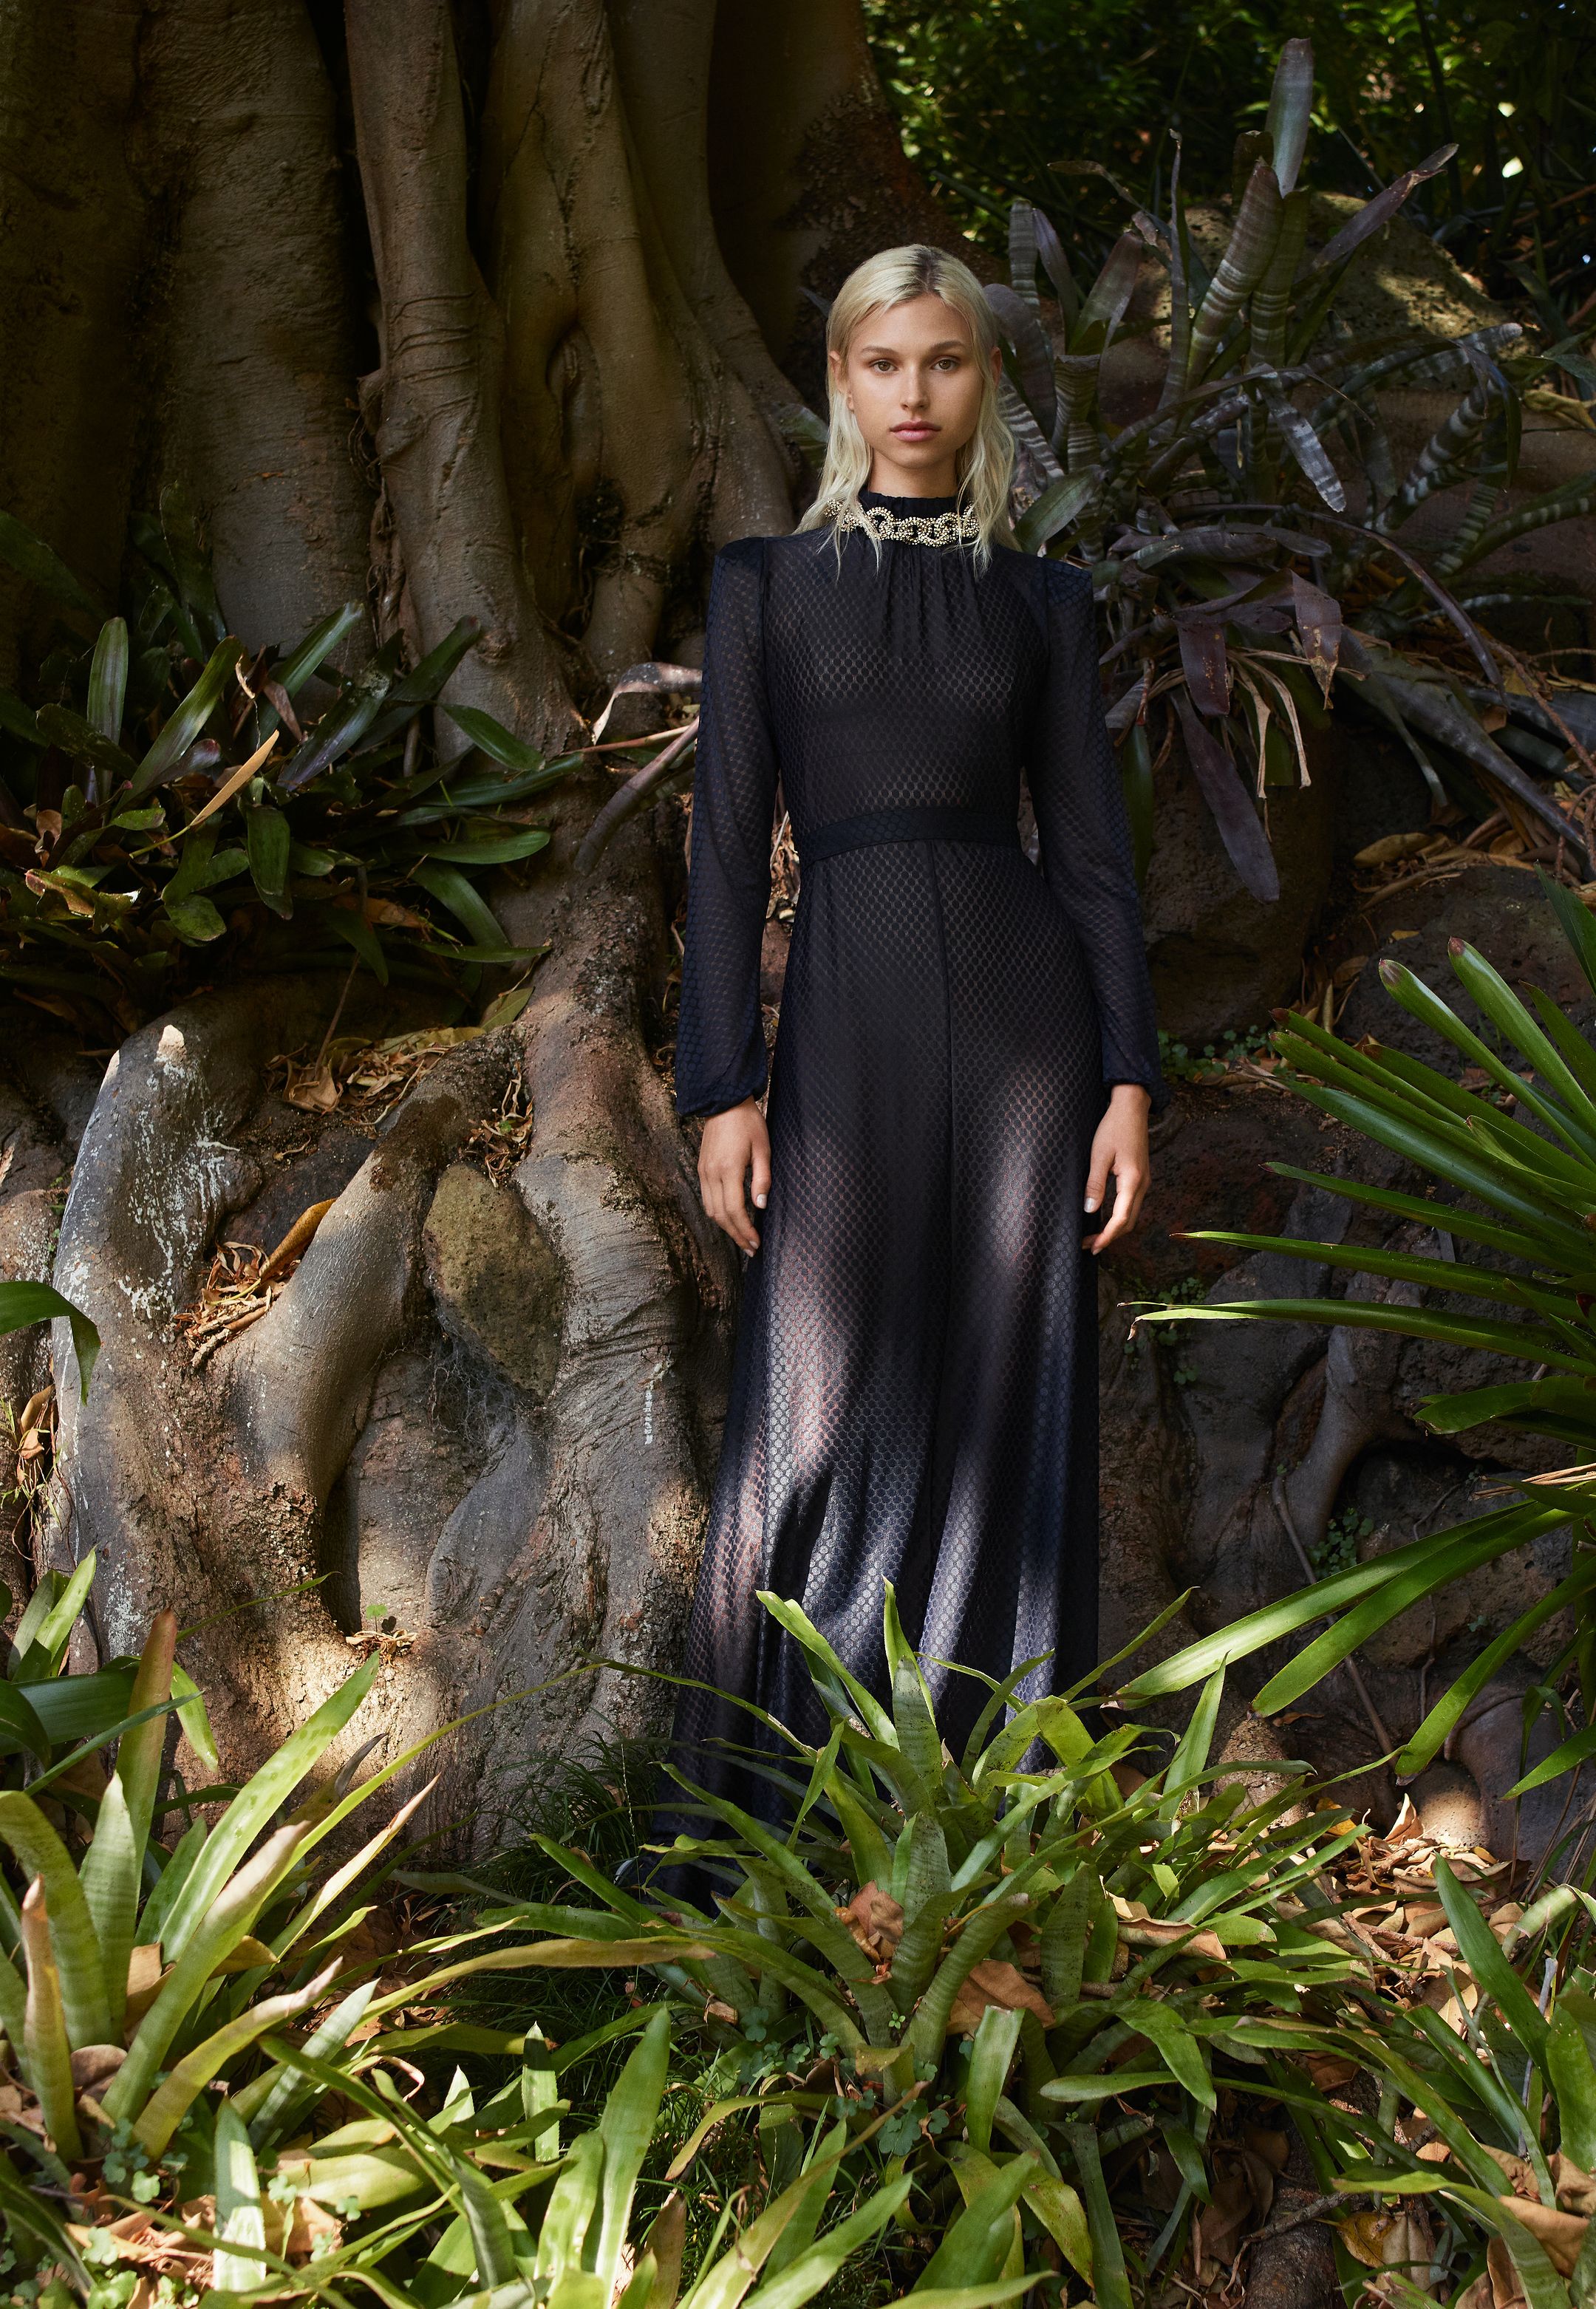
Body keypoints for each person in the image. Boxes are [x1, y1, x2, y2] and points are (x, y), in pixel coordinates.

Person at [662, 240, 1167, 1844]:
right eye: (884, 364)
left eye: (945, 362)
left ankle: (990, 1799)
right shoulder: (762, 587)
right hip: (844, 1026)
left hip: (1025, 1038)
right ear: (838, 382)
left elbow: (1087, 855)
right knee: (814, 1391)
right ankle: (782, 1814)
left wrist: (1129, 1083)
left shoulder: (1040, 601)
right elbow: (728, 854)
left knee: (1001, 1376)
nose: (915, 396)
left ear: (983, 382)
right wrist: (719, 1090)